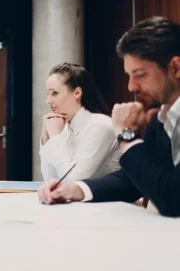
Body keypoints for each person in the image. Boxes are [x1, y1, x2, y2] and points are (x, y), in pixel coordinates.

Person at [38, 16, 180, 217]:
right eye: (128, 76)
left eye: (140, 75)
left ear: (175, 68)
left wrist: (128, 136)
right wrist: (76, 190)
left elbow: (172, 197)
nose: (131, 87)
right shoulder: (162, 117)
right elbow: (133, 181)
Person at [40, 62, 121, 181]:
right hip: (84, 199)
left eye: (54, 93)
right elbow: (51, 179)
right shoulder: (65, 127)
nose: (48, 100)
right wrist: (46, 138)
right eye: (48, 94)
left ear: (77, 93)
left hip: (114, 199)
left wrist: (55, 137)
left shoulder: (100, 125)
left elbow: (74, 181)